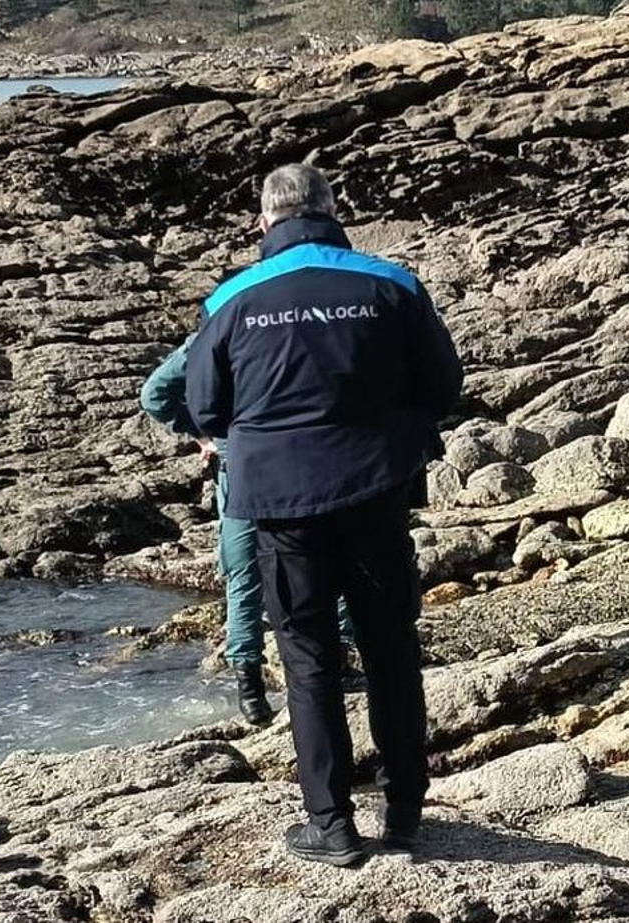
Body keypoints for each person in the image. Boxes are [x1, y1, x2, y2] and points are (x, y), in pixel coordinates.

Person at [185, 164, 462, 866]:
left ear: (264, 222)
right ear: (333, 212)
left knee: (307, 659)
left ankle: (331, 824)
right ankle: (405, 811)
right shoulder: (392, 283)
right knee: (390, 648)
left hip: (281, 505)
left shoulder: (231, 297)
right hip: (376, 489)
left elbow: (205, 406)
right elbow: (443, 385)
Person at [139, 336, 353, 727]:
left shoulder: (215, 333)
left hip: (240, 468)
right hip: (308, 461)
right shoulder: (300, 324)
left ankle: (250, 687)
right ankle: (338, 660)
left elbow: (155, 394)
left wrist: (204, 434)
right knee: (328, 560)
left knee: (244, 576)